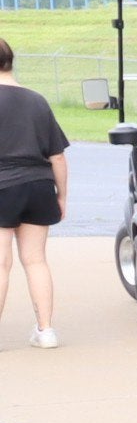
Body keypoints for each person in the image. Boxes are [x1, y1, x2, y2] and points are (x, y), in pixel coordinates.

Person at [0, 37, 64, 348]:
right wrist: (61, 195)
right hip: (40, 186)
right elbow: (58, 157)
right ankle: (46, 330)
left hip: (2, 186)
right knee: (36, 259)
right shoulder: (37, 100)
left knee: (1, 263)